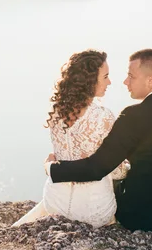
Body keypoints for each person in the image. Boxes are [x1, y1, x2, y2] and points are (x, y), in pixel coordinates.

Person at [45, 49, 152, 238]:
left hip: (138, 217)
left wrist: (52, 168)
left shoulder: (132, 115)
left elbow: (97, 168)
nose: (125, 82)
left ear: (150, 80)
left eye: (131, 76)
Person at [12, 49, 128, 228]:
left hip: (55, 203)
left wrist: (50, 166)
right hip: (94, 211)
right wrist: (127, 166)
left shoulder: (57, 113)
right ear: (90, 82)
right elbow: (117, 171)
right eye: (105, 77)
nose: (110, 82)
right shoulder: (103, 117)